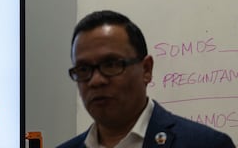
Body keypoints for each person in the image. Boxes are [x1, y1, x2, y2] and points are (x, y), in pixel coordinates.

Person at [57, 10, 235, 148]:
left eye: (111, 65)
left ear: (146, 69)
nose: (95, 81)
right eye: (83, 69)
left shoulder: (207, 145)